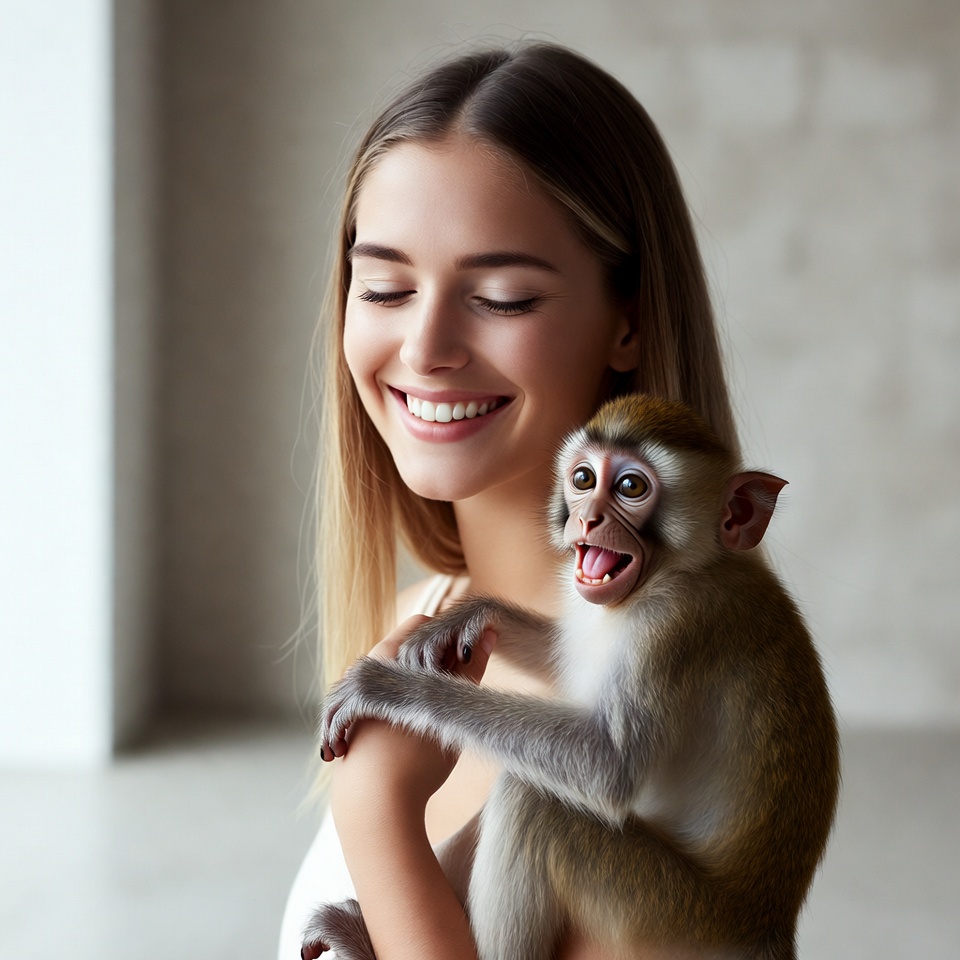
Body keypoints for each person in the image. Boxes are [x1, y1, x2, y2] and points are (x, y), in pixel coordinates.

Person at [278, 42, 740, 960]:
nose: (425, 346)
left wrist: (379, 822)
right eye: (385, 288)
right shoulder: (419, 620)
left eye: (500, 298)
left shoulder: (666, 736)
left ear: (630, 320)